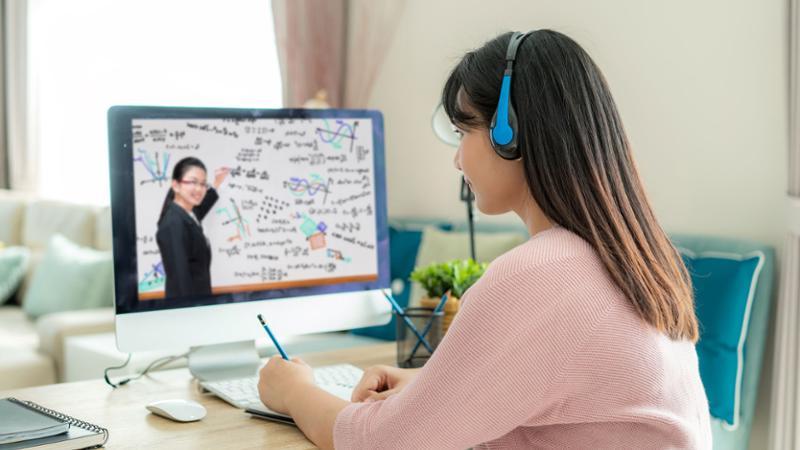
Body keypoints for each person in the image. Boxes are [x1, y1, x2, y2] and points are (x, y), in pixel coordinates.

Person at [256, 30, 712, 449]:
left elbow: (384, 442)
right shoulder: (635, 259)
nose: (457, 159)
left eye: (462, 132)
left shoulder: (540, 274)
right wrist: (432, 390)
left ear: (506, 131)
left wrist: (296, 393)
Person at [156, 157, 229, 298]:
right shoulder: (173, 224)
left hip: (199, 303)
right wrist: (192, 313)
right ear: (176, 185)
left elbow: (202, 207)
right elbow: (180, 280)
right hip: (188, 309)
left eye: (203, 184)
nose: (199, 189)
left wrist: (216, 183)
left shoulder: (188, 214)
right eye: (193, 182)